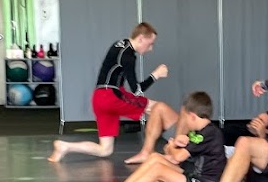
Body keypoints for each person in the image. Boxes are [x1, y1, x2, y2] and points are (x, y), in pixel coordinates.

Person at [49, 23, 174, 163]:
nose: (150, 48)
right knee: (157, 107)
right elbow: (137, 90)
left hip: (99, 98)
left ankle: (65, 146)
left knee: (105, 149)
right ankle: (177, 145)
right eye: (150, 44)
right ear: (140, 39)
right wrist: (156, 75)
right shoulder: (128, 56)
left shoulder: (119, 44)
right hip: (111, 97)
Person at [79, 91, 225, 182]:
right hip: (193, 177)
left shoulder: (209, 133)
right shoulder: (198, 132)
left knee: (158, 169)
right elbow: (179, 156)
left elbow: (178, 157)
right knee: (155, 158)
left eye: (184, 118)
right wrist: (177, 145)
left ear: (192, 116)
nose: (184, 122)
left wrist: (172, 146)